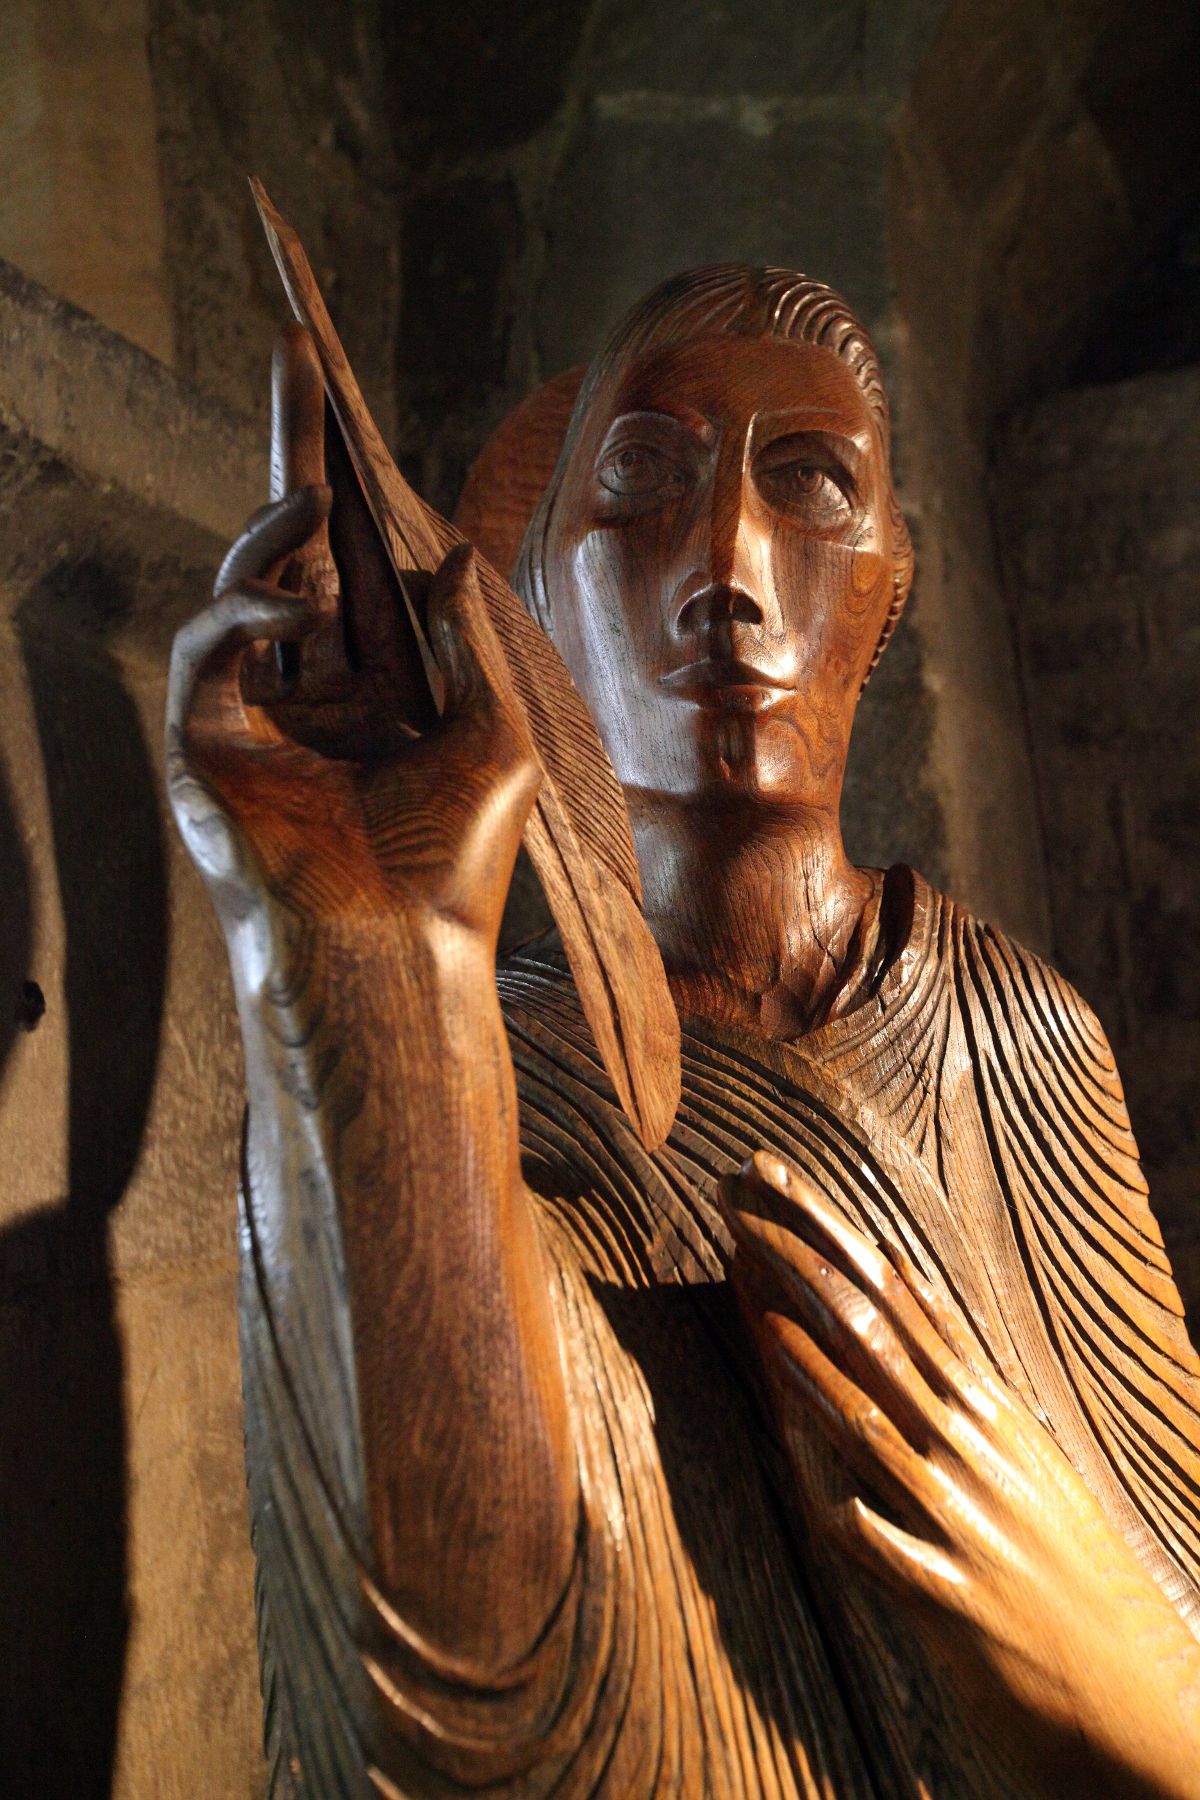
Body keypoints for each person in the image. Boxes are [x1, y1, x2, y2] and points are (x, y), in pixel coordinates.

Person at [168, 266, 1200, 1797]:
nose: (729, 565)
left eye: (813, 482)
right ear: (540, 593)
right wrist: (376, 959)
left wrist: (1114, 1677)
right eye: (646, 479)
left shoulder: (1022, 1036)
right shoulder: (481, 1078)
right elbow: (460, 1698)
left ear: (890, 587)